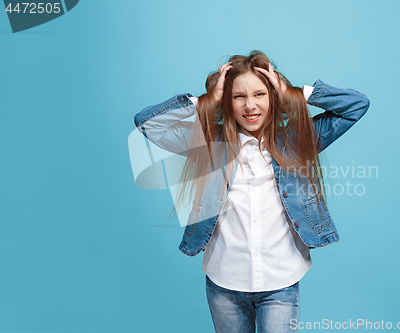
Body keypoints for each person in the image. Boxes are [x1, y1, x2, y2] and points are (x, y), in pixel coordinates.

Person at [133, 51, 370, 333]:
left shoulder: (296, 140)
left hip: (280, 281)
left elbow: (356, 106)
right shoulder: (208, 143)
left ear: (272, 97)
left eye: (259, 94)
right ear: (227, 101)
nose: (250, 105)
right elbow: (146, 123)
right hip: (224, 284)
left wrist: (293, 92)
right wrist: (206, 101)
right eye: (238, 96)